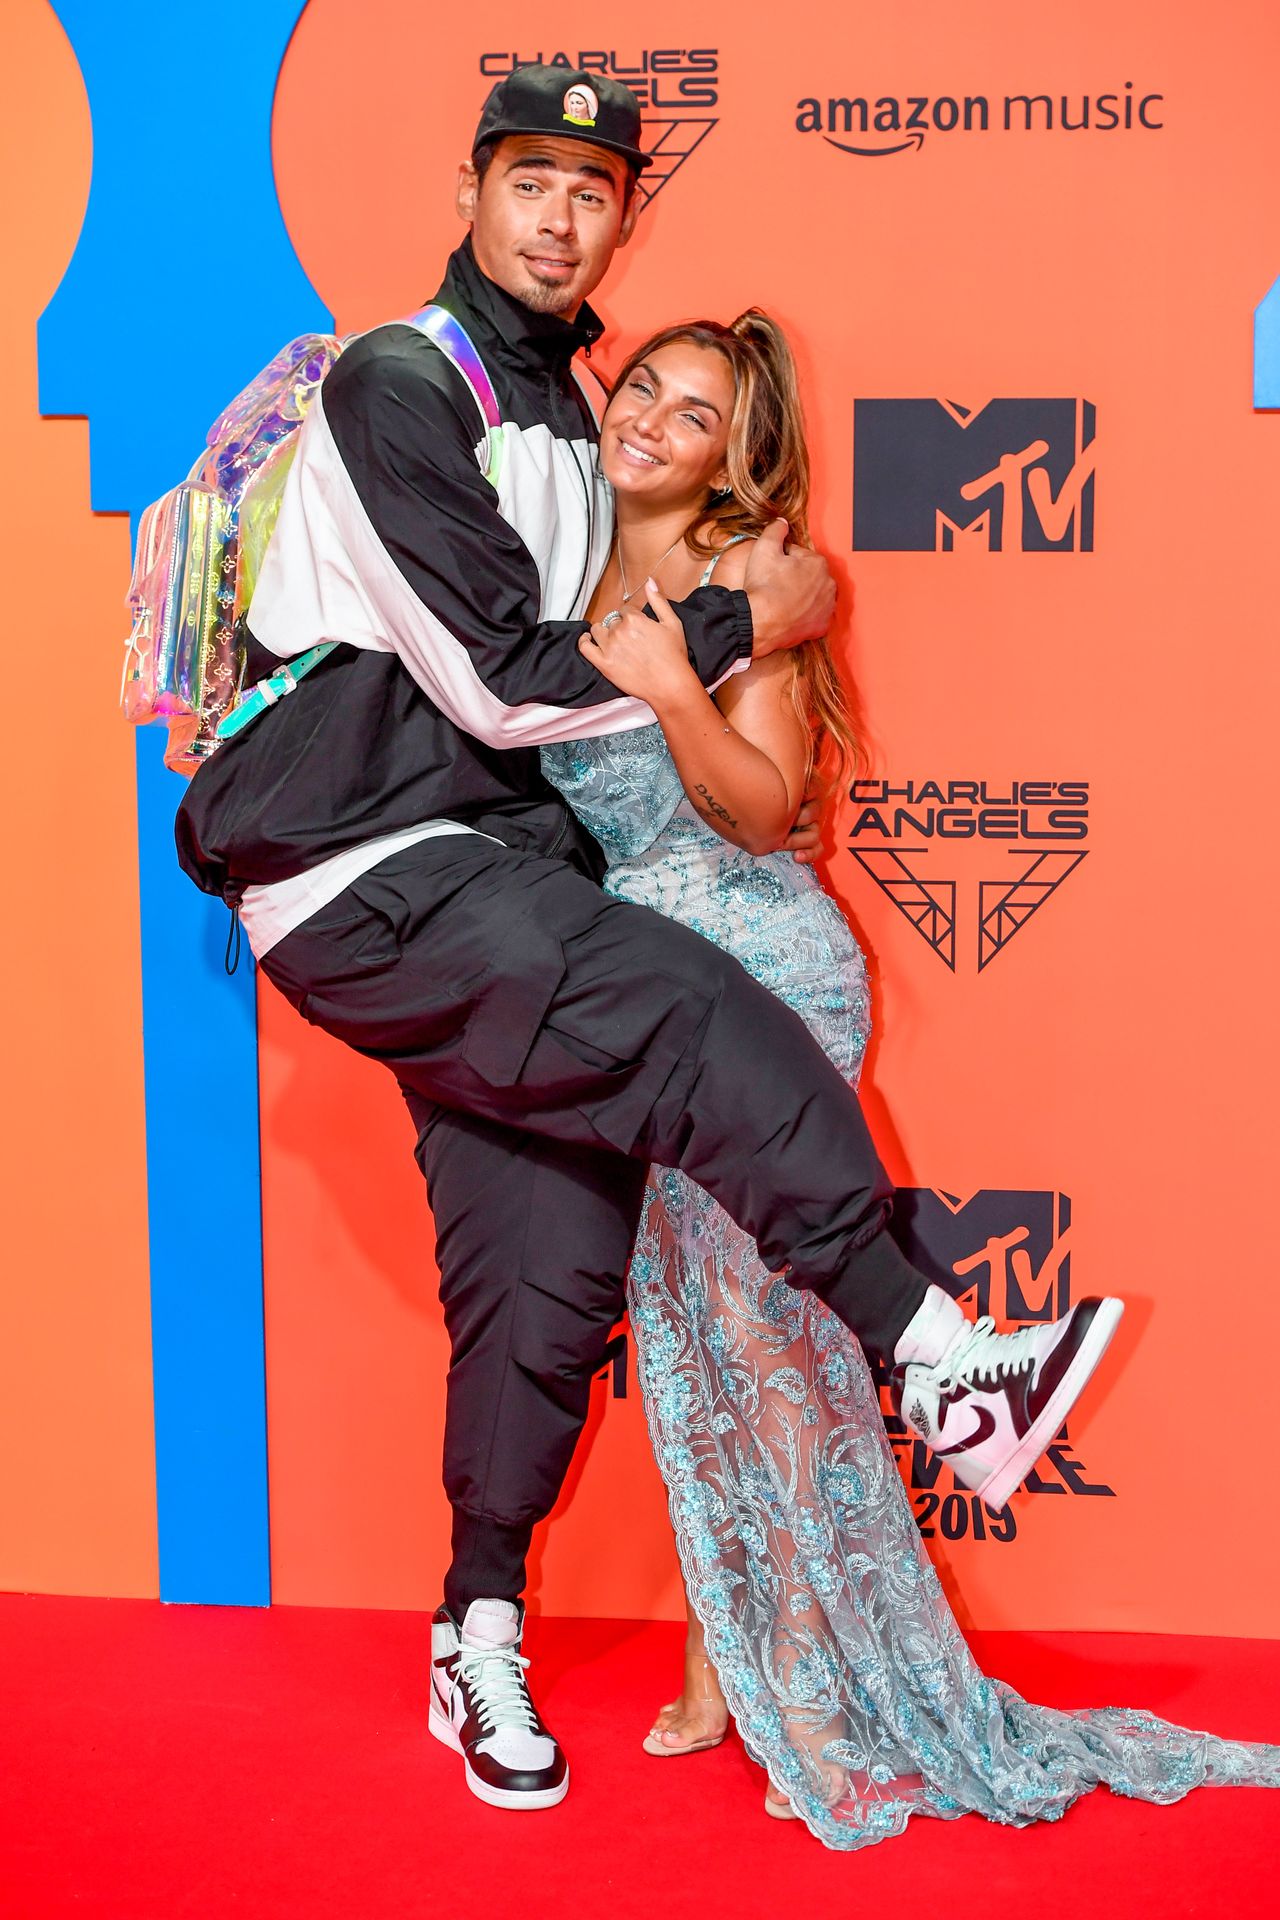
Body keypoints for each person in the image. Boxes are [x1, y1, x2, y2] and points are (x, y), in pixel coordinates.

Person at [174, 65, 1123, 1813]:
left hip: (498, 874)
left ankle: (475, 1632)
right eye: (529, 180)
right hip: (363, 860)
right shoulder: (402, 382)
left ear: (628, 216)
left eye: (594, 191)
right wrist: (741, 614)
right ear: (469, 189)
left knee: (542, 1278)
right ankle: (944, 1361)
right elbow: (499, 682)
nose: (558, 218)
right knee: (691, 1011)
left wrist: (755, 590)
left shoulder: (576, 409)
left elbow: (655, 624)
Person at [542, 314, 1280, 1842]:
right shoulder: (557, 564)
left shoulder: (750, 579)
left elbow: (767, 809)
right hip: (639, 997)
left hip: (758, 977)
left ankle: (808, 1687)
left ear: (735, 459)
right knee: (690, 1328)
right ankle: (723, 1651)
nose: (652, 421)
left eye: (696, 413)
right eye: (644, 388)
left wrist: (678, 685)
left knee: (770, 1331)